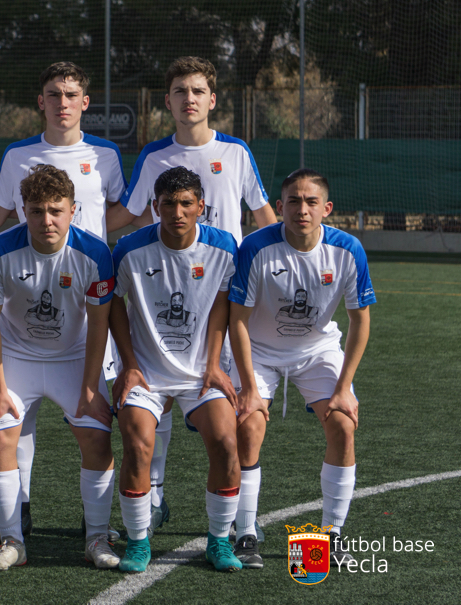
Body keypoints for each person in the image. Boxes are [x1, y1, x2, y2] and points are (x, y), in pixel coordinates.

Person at [107, 57, 278, 536]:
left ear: (212, 100)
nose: (189, 98)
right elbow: (128, 213)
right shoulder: (153, 155)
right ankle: (154, 497)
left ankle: (243, 523)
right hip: (164, 296)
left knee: (235, 416)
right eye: (180, 90)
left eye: (198, 90)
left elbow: (262, 213)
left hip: (220, 301)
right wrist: (66, 236)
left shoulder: (237, 152)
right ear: (168, 101)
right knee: (151, 410)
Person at [0, 61, 126, 538]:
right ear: (41, 102)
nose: (62, 103)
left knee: (108, 419)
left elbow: (126, 211)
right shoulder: (19, 154)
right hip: (25, 302)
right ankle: (15, 519)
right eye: (53, 94)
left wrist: (83, 250)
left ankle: (108, 519)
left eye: (71, 94)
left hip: (84, 303)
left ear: (85, 102)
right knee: (14, 423)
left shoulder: (106, 155)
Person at [228, 169, 374, 569]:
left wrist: (344, 387)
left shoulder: (348, 250)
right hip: (258, 350)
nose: (302, 209)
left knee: (343, 423)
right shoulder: (255, 247)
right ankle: (245, 532)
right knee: (248, 424)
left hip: (317, 350)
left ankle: (332, 533)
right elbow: (236, 320)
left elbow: (359, 321)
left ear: (326, 209)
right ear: (279, 207)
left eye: (311, 202)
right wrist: (247, 387)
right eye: (293, 201)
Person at [0, 164, 118, 571]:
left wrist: (91, 385)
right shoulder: (1, 251)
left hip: (73, 358)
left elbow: (99, 322)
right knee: (1, 440)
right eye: (36, 211)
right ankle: (12, 543)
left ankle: (96, 538)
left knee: (96, 439)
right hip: (16, 357)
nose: (46, 220)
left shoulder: (94, 253)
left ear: (73, 210)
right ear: (23, 211)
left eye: (56, 210)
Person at [109, 166, 243, 573]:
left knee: (225, 441)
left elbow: (222, 302)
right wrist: (128, 365)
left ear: (202, 207)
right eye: (168, 203)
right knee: (137, 444)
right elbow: (114, 304)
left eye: (186, 203)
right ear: (155, 207)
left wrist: (216, 363)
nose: (177, 212)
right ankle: (137, 541)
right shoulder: (130, 249)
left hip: (200, 372)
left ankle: (219, 539)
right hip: (146, 372)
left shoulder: (224, 247)